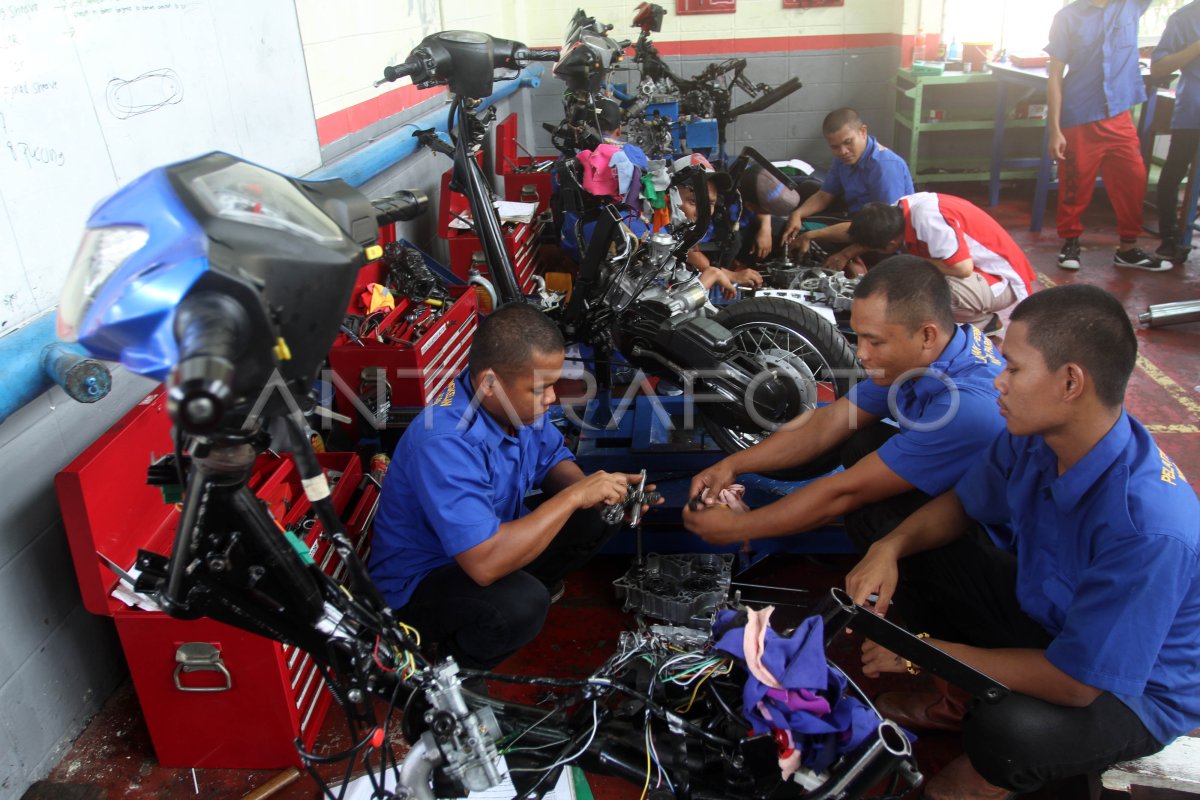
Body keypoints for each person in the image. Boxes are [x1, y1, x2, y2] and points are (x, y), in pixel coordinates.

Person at [846, 284, 1200, 799]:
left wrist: (921, 653)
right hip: (1056, 620)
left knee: (1008, 735)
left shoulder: (1147, 527)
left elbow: (1076, 683)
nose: (999, 381)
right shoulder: (1037, 437)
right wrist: (890, 548)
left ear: (1071, 382)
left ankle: (984, 769)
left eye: (1013, 367)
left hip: (1130, 687)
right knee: (891, 522)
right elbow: (964, 503)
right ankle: (958, 698)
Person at [368, 304, 649, 669]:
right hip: (418, 587)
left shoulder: (516, 408)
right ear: (489, 383)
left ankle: (514, 593)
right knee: (520, 604)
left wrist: (595, 493)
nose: (551, 398)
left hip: (485, 547)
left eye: (553, 384)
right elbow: (484, 564)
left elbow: (551, 459)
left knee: (600, 513)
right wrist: (574, 497)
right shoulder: (445, 442)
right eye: (541, 388)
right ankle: (456, 669)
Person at [682, 255, 1006, 550]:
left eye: (875, 341)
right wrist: (733, 464)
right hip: (960, 487)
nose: (861, 352)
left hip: (996, 542)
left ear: (927, 335)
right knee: (858, 438)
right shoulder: (934, 351)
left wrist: (740, 527)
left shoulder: (966, 406)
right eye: (859, 335)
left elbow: (846, 492)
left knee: (872, 518)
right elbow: (831, 421)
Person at [796, 195, 1034, 335]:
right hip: (980, 273)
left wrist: (908, 265)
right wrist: (813, 237)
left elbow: (962, 268)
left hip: (1002, 281)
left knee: (917, 292)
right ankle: (975, 315)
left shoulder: (929, 221)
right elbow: (856, 232)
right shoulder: (899, 210)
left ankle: (979, 323)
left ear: (891, 243)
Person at [1046, 0, 1169, 272]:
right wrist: (1055, 129)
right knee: (1075, 184)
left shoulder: (1131, 6)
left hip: (1119, 115)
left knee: (1133, 180)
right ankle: (1071, 243)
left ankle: (1128, 248)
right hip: (1079, 115)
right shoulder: (1068, 17)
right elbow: (1054, 75)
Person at [780, 107, 914, 244]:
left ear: (863, 132)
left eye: (848, 142)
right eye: (835, 147)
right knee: (807, 189)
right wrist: (797, 214)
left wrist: (844, 253)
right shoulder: (843, 159)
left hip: (879, 235)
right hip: (855, 218)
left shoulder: (885, 167)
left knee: (808, 237)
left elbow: (886, 229)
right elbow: (824, 195)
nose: (843, 151)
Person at [669, 156, 764, 296]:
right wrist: (721, 275)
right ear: (669, 196)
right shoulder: (651, 232)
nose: (705, 213)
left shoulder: (682, 231)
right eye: (694, 201)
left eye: (710, 204)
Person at [1151, 0, 1200, 265]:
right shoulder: (1184, 18)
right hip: (1194, 109)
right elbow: (1159, 67)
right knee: (1173, 174)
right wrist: (1196, 47)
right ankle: (1170, 239)